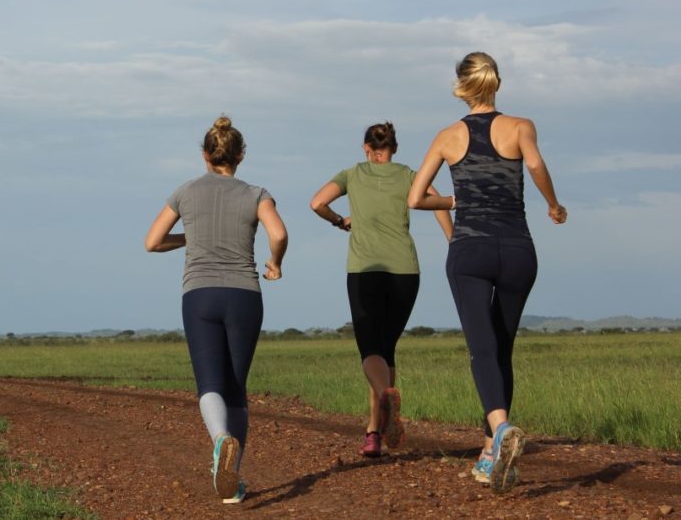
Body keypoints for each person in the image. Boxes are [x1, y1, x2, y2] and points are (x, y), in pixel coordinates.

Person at [408, 52, 567, 494]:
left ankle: (499, 431)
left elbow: (416, 198)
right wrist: (553, 204)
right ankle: (491, 455)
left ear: (462, 84)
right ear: (496, 83)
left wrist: (454, 202)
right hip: (518, 249)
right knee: (502, 348)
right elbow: (534, 165)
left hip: (470, 251)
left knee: (482, 349)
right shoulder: (521, 126)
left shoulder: (448, 136)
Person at [145, 115, 288, 504]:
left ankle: (219, 440)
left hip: (200, 294)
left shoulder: (185, 192)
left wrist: (190, 237)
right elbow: (278, 233)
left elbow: (152, 241)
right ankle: (233, 477)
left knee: (209, 384)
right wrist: (275, 263)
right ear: (240, 155)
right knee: (236, 388)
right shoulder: (258, 193)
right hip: (244, 295)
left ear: (205, 155)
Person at [311, 122, 452, 458]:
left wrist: (340, 220)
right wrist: (453, 239)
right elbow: (438, 202)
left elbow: (317, 203)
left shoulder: (351, 174)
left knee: (370, 350)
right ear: (394, 148)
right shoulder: (409, 175)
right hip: (406, 271)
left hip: (365, 272)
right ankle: (374, 431)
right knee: (386, 349)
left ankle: (385, 400)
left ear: (366, 148)